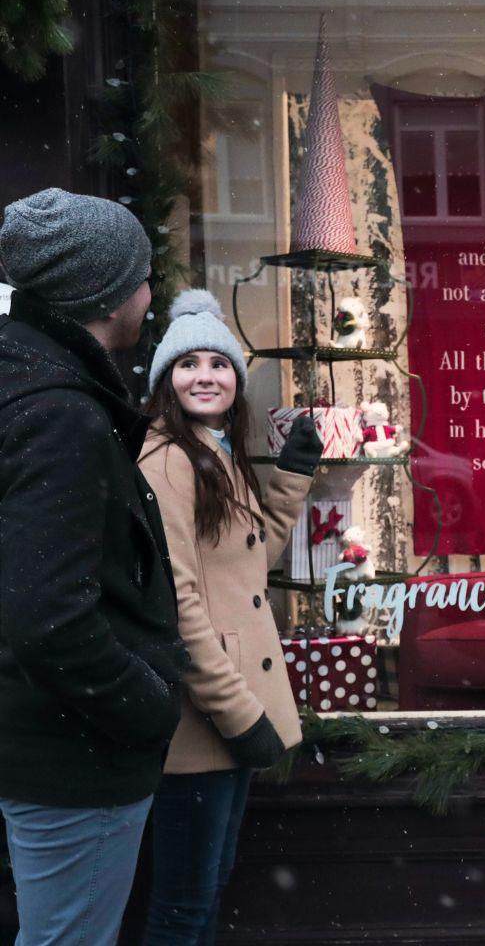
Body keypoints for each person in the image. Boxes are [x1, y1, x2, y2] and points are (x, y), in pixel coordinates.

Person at [0, 188, 188, 945]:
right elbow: (46, 614)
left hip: (45, 740)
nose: (151, 292)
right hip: (70, 754)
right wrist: (144, 707)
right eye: (144, 276)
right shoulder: (59, 411)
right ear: (109, 293)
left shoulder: (29, 385)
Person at [138, 289, 322, 945]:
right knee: (184, 905)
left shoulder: (213, 451)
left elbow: (247, 565)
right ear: (167, 378)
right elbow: (178, 605)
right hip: (203, 721)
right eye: (189, 364)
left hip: (228, 714)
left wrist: (293, 475)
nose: (206, 375)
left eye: (219, 363)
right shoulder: (167, 460)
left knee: (207, 890)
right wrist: (242, 717)